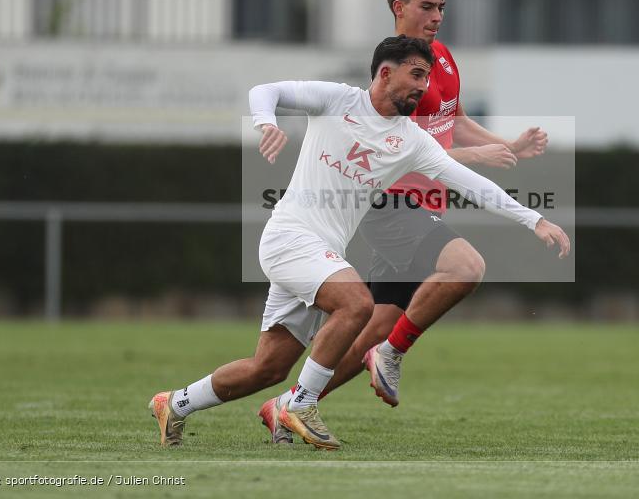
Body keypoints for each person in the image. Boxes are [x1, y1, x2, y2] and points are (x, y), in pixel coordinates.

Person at [150, 36, 570, 451]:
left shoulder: (412, 140)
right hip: (289, 238)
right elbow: (266, 91)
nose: (423, 86)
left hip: (320, 256)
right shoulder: (339, 100)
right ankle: (302, 404)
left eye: (427, 77)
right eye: (416, 74)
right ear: (385, 73)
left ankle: (174, 403)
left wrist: (533, 219)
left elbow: (470, 183)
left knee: (268, 368)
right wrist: (266, 122)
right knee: (357, 304)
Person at [258, 0, 552, 443]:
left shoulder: (444, 60)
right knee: (463, 267)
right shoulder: (397, 73)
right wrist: (476, 158)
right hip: (391, 202)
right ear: (400, 7)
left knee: (377, 327)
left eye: (441, 7)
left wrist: (507, 145)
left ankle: (289, 404)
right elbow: (396, 149)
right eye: (427, 6)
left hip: (426, 204)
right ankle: (387, 357)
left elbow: (453, 122)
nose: (437, 16)